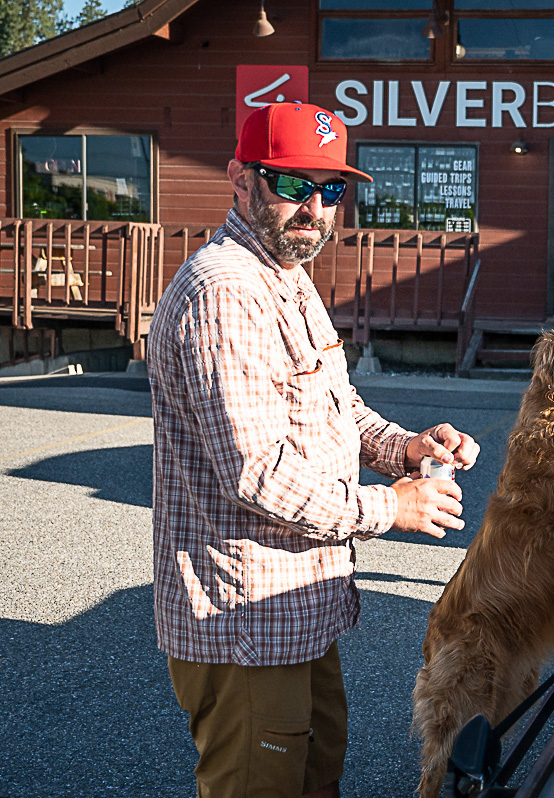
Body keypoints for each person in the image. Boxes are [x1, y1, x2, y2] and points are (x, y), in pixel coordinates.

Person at [146, 101, 479, 798]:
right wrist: (390, 507)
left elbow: (337, 409)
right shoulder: (225, 293)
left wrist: (405, 448)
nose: (317, 208)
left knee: (314, 775)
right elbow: (258, 473)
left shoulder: (286, 278)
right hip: (244, 617)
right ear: (241, 179)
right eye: (294, 185)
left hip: (296, 612)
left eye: (332, 189)